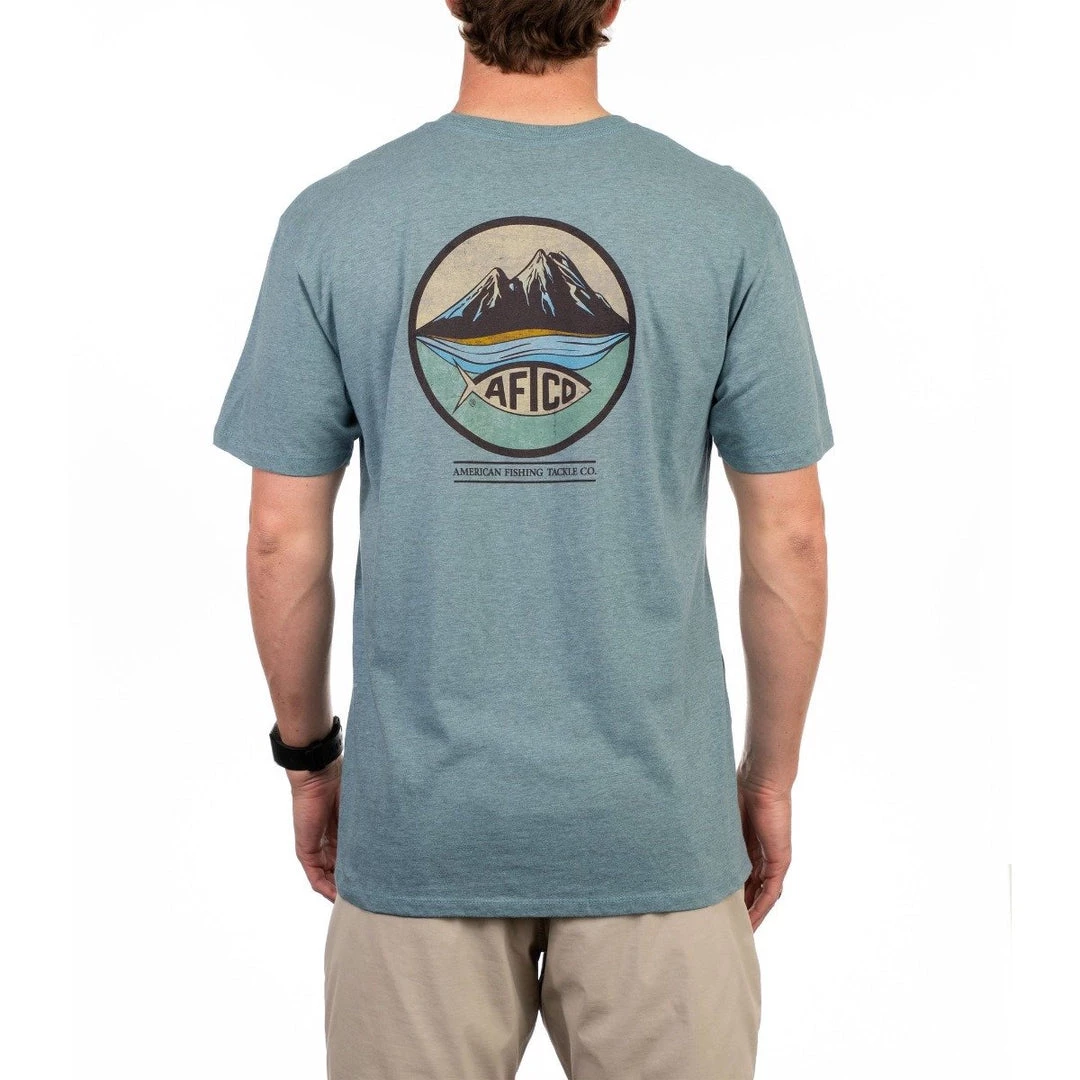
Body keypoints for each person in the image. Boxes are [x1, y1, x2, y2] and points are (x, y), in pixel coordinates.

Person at [212, 1, 832, 1076]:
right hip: (658, 828)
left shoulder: (337, 219)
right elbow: (790, 539)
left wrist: (310, 762)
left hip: (420, 830)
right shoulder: (721, 216)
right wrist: (766, 782)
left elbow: (281, 540)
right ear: (611, 2)